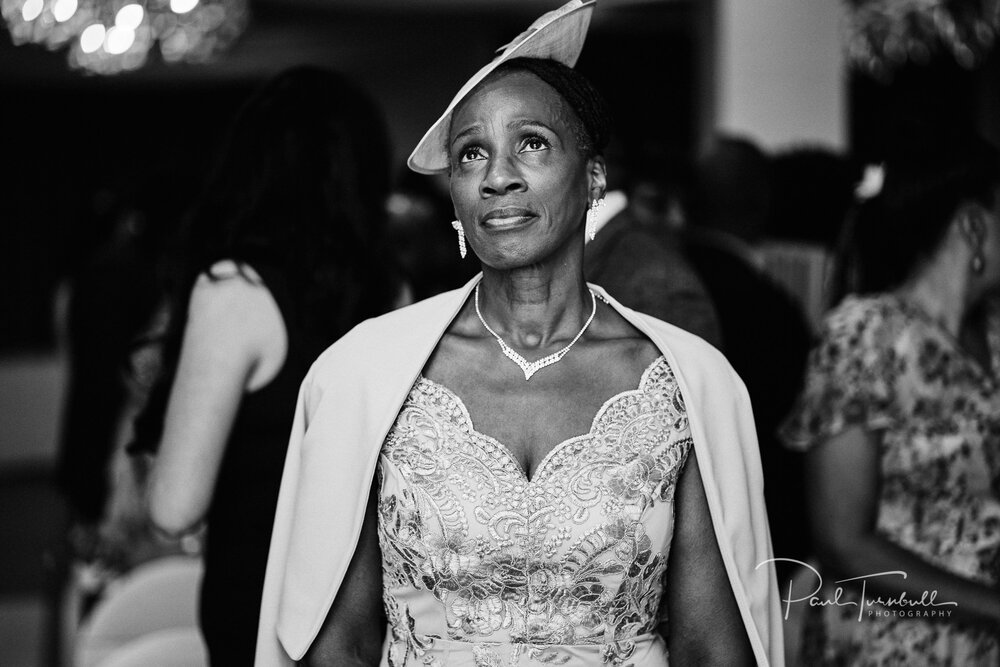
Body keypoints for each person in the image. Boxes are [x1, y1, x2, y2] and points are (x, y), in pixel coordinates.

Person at [257, 2, 782, 665]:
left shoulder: (686, 384)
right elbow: (340, 641)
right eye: (472, 152)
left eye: (531, 142)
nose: (498, 175)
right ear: (454, 195)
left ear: (593, 176)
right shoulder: (364, 376)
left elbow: (711, 646)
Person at [130, 66, 403, 665]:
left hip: (261, 611)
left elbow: (174, 507)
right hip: (365, 615)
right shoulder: (390, 295)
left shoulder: (235, 291)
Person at [781, 135, 1000, 665]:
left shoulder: (994, 335)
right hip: (892, 639)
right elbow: (842, 541)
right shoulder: (867, 336)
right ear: (973, 226)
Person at [682, 135, 814, 577]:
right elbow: (787, 431)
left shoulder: (656, 276)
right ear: (761, 201)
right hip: (753, 533)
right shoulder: (770, 307)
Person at [584, 146, 722, 346]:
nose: (678, 220)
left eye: (691, 207)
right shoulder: (656, 279)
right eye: (656, 203)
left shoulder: (666, 290)